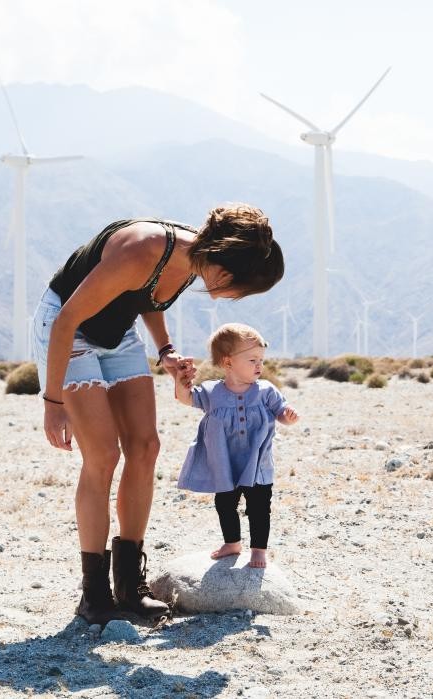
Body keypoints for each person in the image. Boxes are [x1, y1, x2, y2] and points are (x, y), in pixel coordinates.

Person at [32, 205, 283, 625]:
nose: (237, 296)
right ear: (226, 265)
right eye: (242, 286)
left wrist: (165, 351)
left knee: (146, 447)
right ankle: (94, 595)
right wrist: (53, 402)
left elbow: (149, 296)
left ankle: (129, 587)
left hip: (118, 334)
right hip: (68, 330)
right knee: (103, 456)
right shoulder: (143, 248)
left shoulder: (194, 260)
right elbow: (67, 319)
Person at [173, 323, 299, 569]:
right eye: (252, 360)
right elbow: (185, 398)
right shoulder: (212, 392)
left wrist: (288, 415)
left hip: (257, 464)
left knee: (260, 507)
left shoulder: (265, 391)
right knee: (225, 503)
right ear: (228, 362)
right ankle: (232, 542)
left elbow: (280, 411)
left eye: (261, 359)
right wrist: (180, 381)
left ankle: (259, 549)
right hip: (225, 463)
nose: (259, 365)